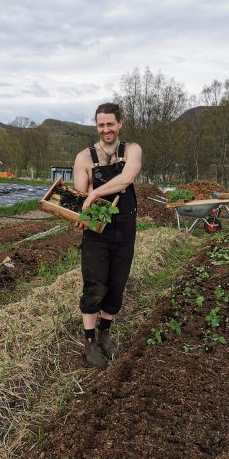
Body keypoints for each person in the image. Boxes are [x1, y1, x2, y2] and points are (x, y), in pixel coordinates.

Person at [73, 102, 142, 368]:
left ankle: (105, 335)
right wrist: (81, 214)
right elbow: (82, 197)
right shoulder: (84, 158)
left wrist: (95, 192)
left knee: (116, 286)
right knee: (95, 286)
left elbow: (126, 179)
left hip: (124, 229)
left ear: (120, 123)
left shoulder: (132, 151)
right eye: (101, 125)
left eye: (110, 124)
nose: (105, 129)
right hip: (97, 232)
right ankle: (89, 342)